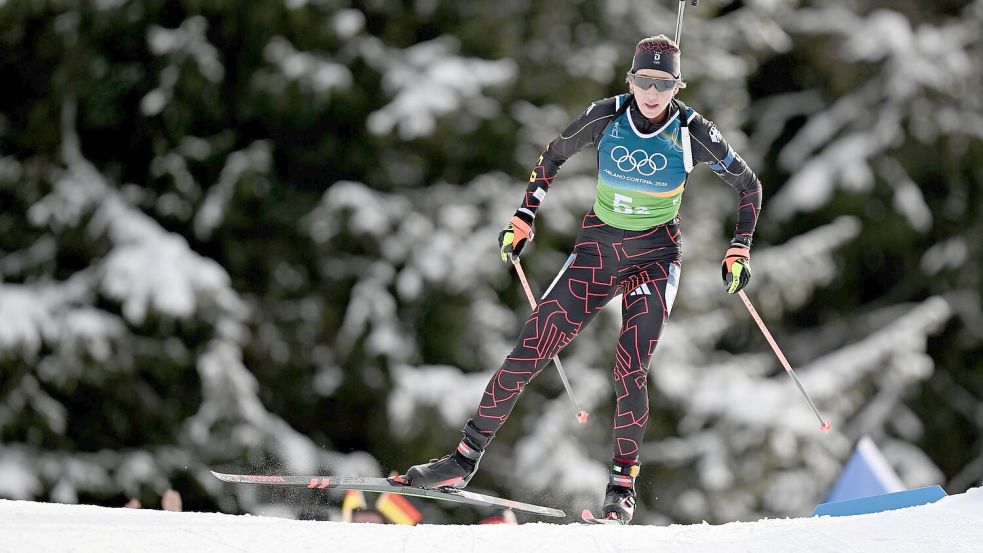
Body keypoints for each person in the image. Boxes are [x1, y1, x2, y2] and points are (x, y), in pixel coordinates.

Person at [398, 34, 762, 524]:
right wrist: (524, 216)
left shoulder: (692, 131)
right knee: (529, 349)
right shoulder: (606, 115)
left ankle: (621, 489)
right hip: (597, 253)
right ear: (630, 79)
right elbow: (552, 155)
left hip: (654, 259)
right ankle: (462, 461)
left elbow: (749, 186)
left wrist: (739, 247)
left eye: (664, 83)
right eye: (644, 80)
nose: (652, 93)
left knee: (630, 367)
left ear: (678, 86)